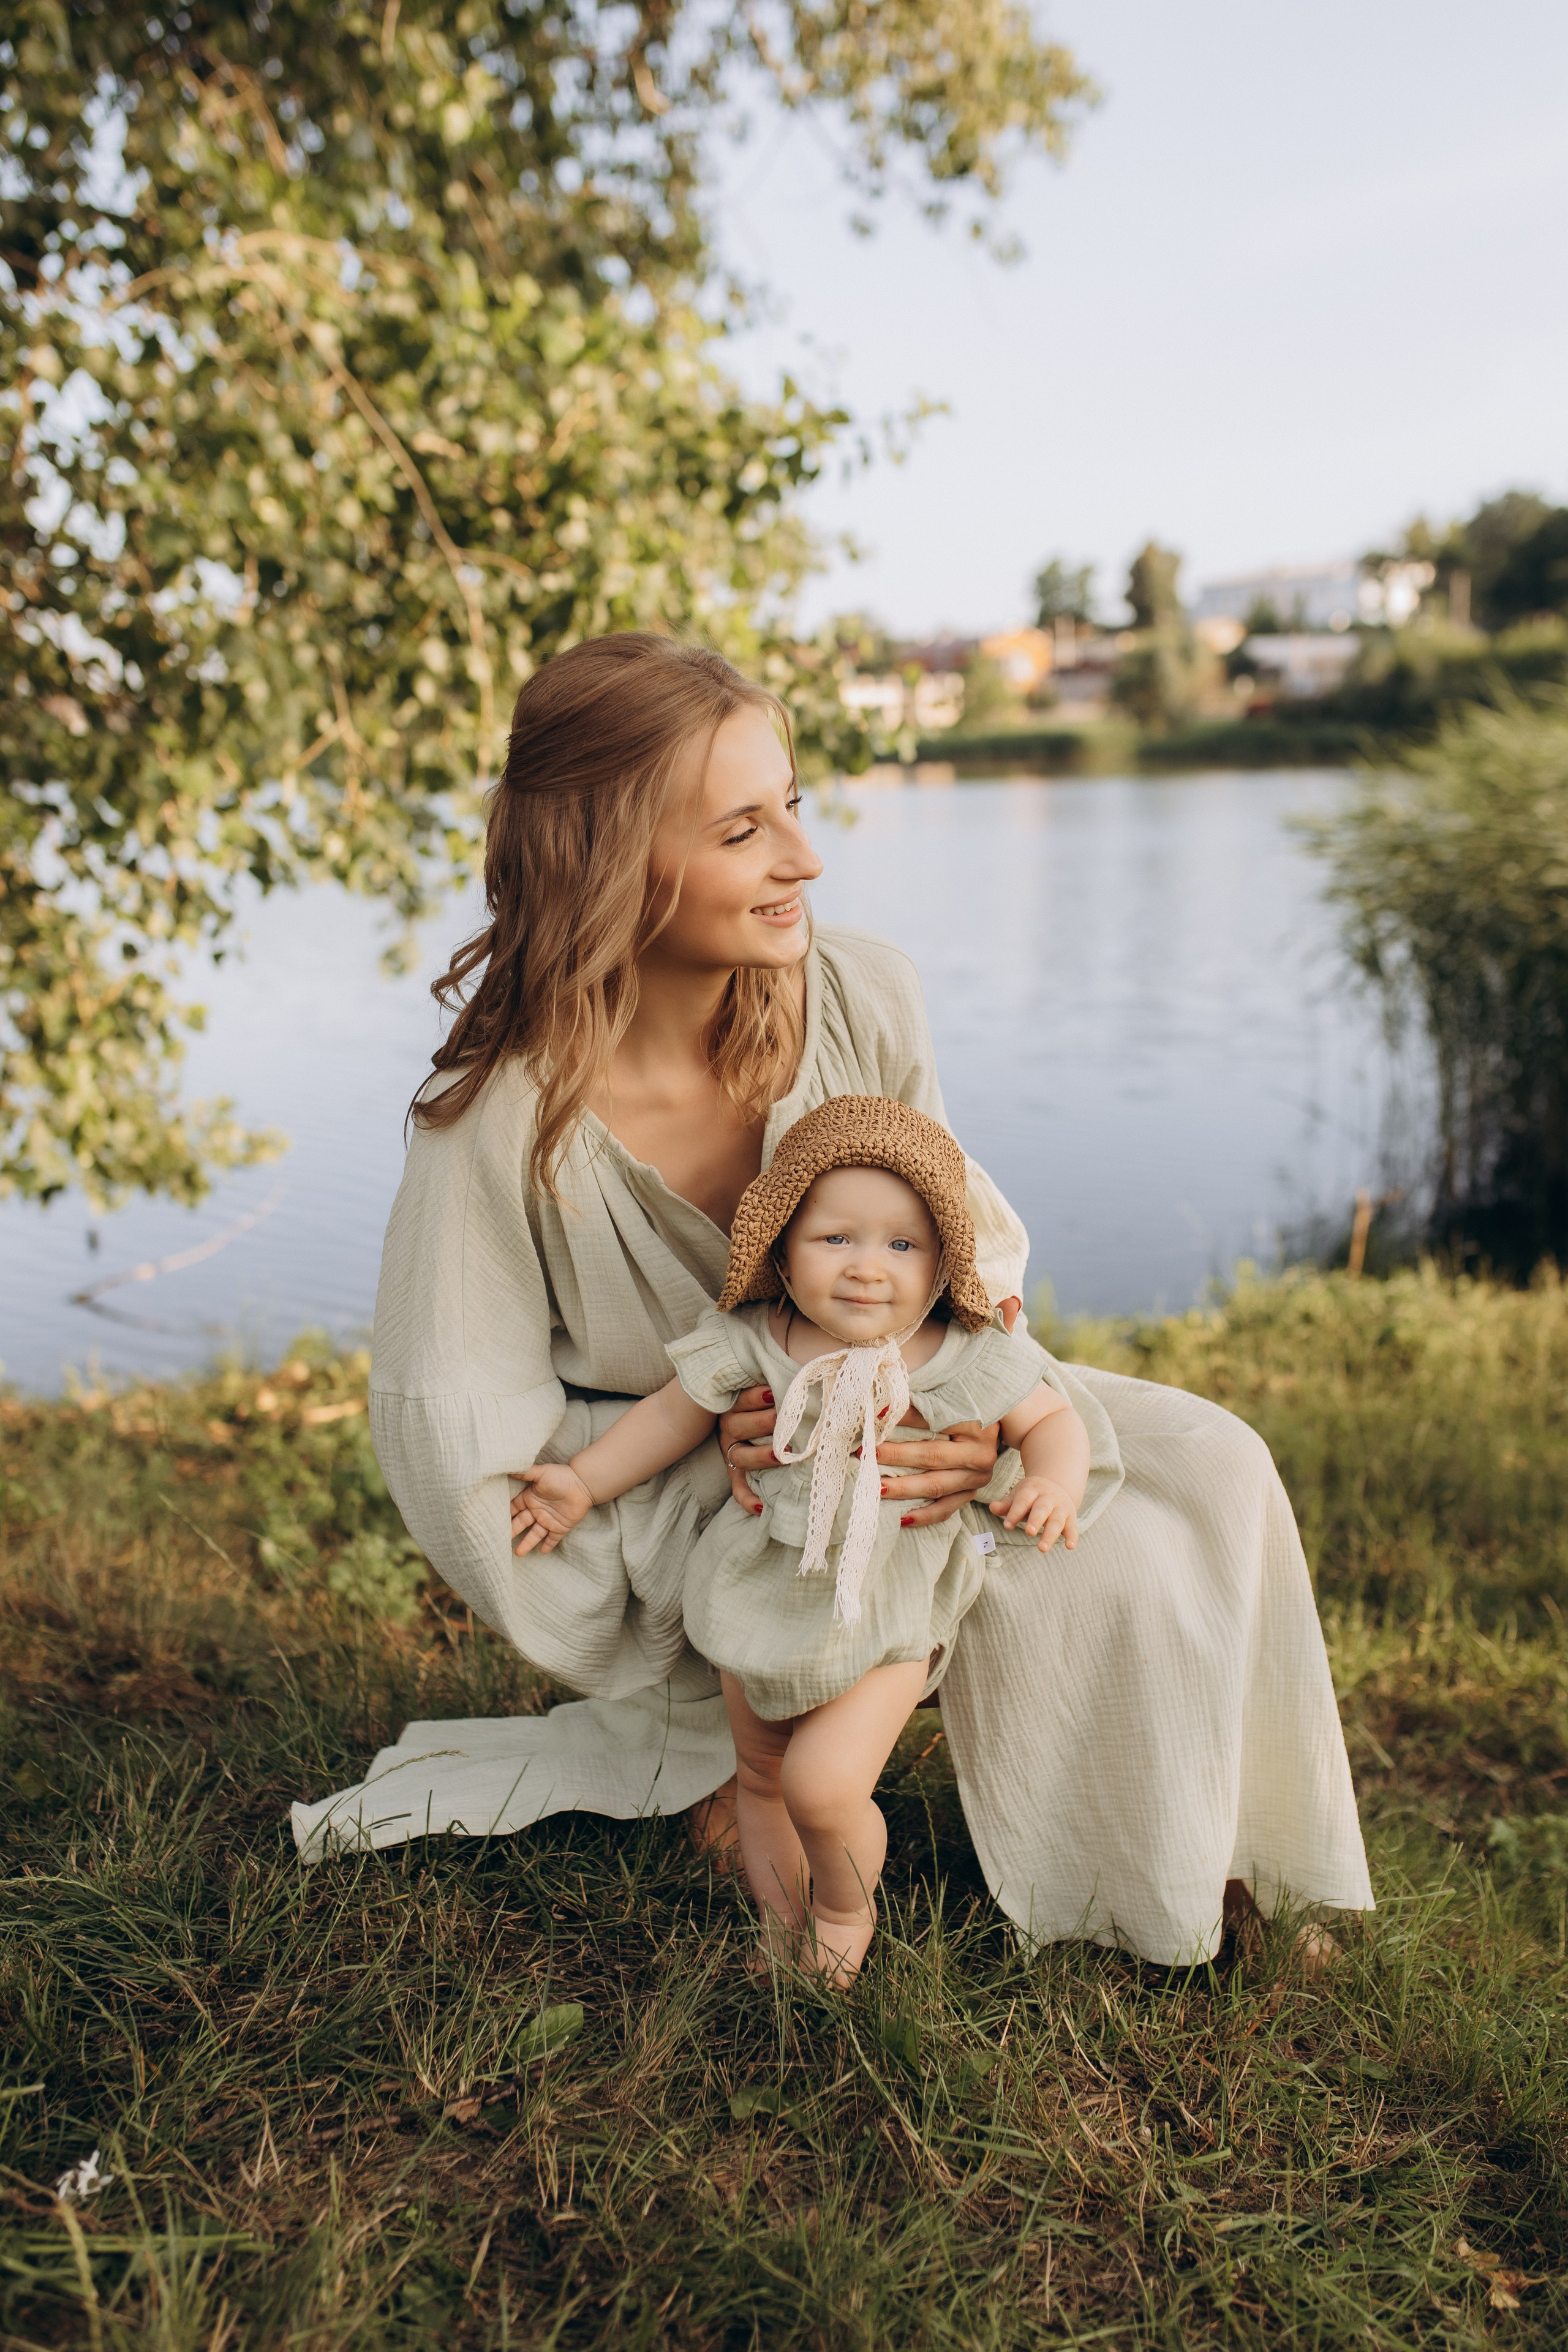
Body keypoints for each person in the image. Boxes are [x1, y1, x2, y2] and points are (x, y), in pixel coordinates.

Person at [290, 631, 1373, 1970]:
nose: (802, 856)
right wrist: (698, 1443)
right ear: (609, 858)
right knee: (1069, 1582)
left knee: (1201, 1467)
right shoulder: (499, 1124)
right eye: (743, 829)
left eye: (791, 804)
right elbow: (455, 1419)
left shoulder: (858, 994)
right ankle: (747, 1740)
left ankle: (1214, 1858)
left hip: (909, 1406)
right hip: (693, 1476)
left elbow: (951, 1241)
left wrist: (973, 1426)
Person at [508, 1096, 1094, 1983]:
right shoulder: (757, 1338)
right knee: (764, 1775)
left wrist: (1052, 1479)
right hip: (760, 1586)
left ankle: (843, 1909)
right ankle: (783, 1925)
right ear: (783, 1244)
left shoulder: (952, 1352)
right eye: (836, 1240)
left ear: (942, 1262)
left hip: (888, 1601)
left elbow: (1052, 1419)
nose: (867, 1268)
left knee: (824, 1785)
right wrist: (582, 1483)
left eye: (902, 1245)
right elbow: (671, 1417)